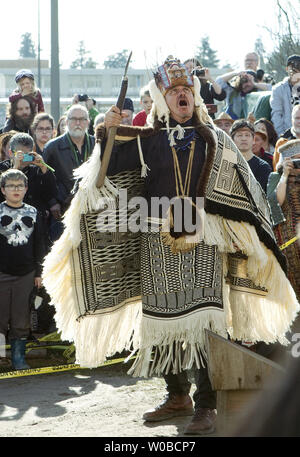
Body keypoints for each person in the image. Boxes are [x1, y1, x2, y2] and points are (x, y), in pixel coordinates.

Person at [43, 56, 299, 436]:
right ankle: (177, 395)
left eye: (186, 91)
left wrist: (234, 232)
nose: (181, 95)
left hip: (203, 239)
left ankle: (208, 403)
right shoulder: (148, 139)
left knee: (206, 323)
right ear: (162, 100)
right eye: (174, 91)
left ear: (194, 96)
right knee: (161, 323)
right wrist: (107, 131)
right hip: (155, 240)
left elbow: (240, 191)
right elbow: (105, 172)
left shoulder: (215, 138)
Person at [0, 169, 46, 369]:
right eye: (11, 186)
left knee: (21, 316)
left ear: (26, 188)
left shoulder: (34, 212)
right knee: (0, 316)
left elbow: (40, 244)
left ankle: (18, 357)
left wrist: (39, 272)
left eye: (20, 185)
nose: (15, 189)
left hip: (26, 273)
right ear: (3, 190)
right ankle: (1, 355)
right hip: (2, 271)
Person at [43, 104, 95, 241]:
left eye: (82, 119)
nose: (78, 123)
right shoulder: (53, 147)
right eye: (73, 119)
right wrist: (52, 202)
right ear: (66, 122)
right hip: (62, 209)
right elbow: (43, 177)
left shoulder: (97, 145)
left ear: (88, 122)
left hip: (91, 210)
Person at [267, 139, 300, 309]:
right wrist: (285, 175)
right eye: (293, 159)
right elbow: (276, 202)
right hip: (288, 236)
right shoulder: (276, 177)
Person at [230, 119, 272, 192]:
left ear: (253, 140)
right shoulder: (226, 164)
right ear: (232, 140)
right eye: (239, 135)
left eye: (247, 135)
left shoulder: (263, 167)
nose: (244, 139)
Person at [270, 55, 300, 136]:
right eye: (292, 68)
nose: (296, 70)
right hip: (287, 132)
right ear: (287, 69)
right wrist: (282, 135)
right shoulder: (278, 89)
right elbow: (276, 114)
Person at [273, 104, 300, 170]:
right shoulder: (282, 142)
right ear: (291, 120)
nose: (299, 121)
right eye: (297, 118)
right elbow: (276, 172)